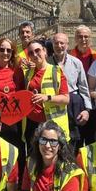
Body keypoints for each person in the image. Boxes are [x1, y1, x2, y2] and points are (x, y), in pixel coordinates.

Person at [22, 41, 70, 174]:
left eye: (37, 50)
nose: (35, 54)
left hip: (51, 123)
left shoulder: (56, 71)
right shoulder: (28, 73)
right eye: (31, 53)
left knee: (54, 159)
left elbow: (66, 99)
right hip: (32, 123)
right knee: (34, 159)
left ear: (44, 51)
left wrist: (47, 97)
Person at [49, 32, 91, 149]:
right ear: (52, 45)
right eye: (56, 43)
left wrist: (87, 110)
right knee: (55, 138)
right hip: (54, 104)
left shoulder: (76, 63)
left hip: (73, 104)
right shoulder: (47, 63)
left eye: (62, 43)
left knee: (74, 141)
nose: (59, 46)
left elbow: (83, 87)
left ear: (67, 45)